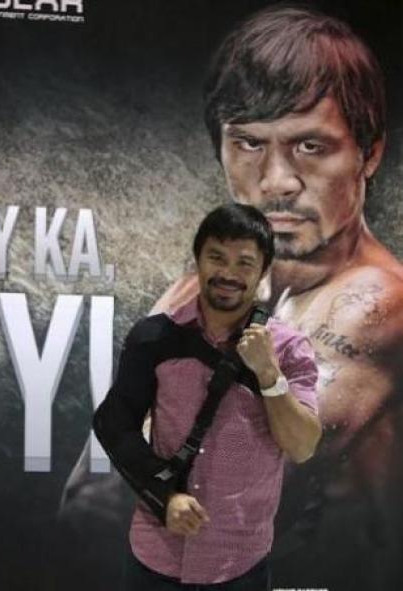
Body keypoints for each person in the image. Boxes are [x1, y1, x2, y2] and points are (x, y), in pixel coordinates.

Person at [60, 5, 403, 590]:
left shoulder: (375, 307)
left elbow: (265, 474)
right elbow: (92, 487)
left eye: (311, 147)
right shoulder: (209, 288)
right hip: (161, 565)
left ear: (369, 153)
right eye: (247, 142)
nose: (276, 180)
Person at [93, 203, 320, 589]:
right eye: (217, 257)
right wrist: (164, 497)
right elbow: (114, 424)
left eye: (244, 263)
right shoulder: (155, 337)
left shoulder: (289, 348)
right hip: (156, 556)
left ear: (262, 271)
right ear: (197, 260)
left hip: (239, 563)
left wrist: (268, 374)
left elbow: (302, 446)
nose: (228, 273)